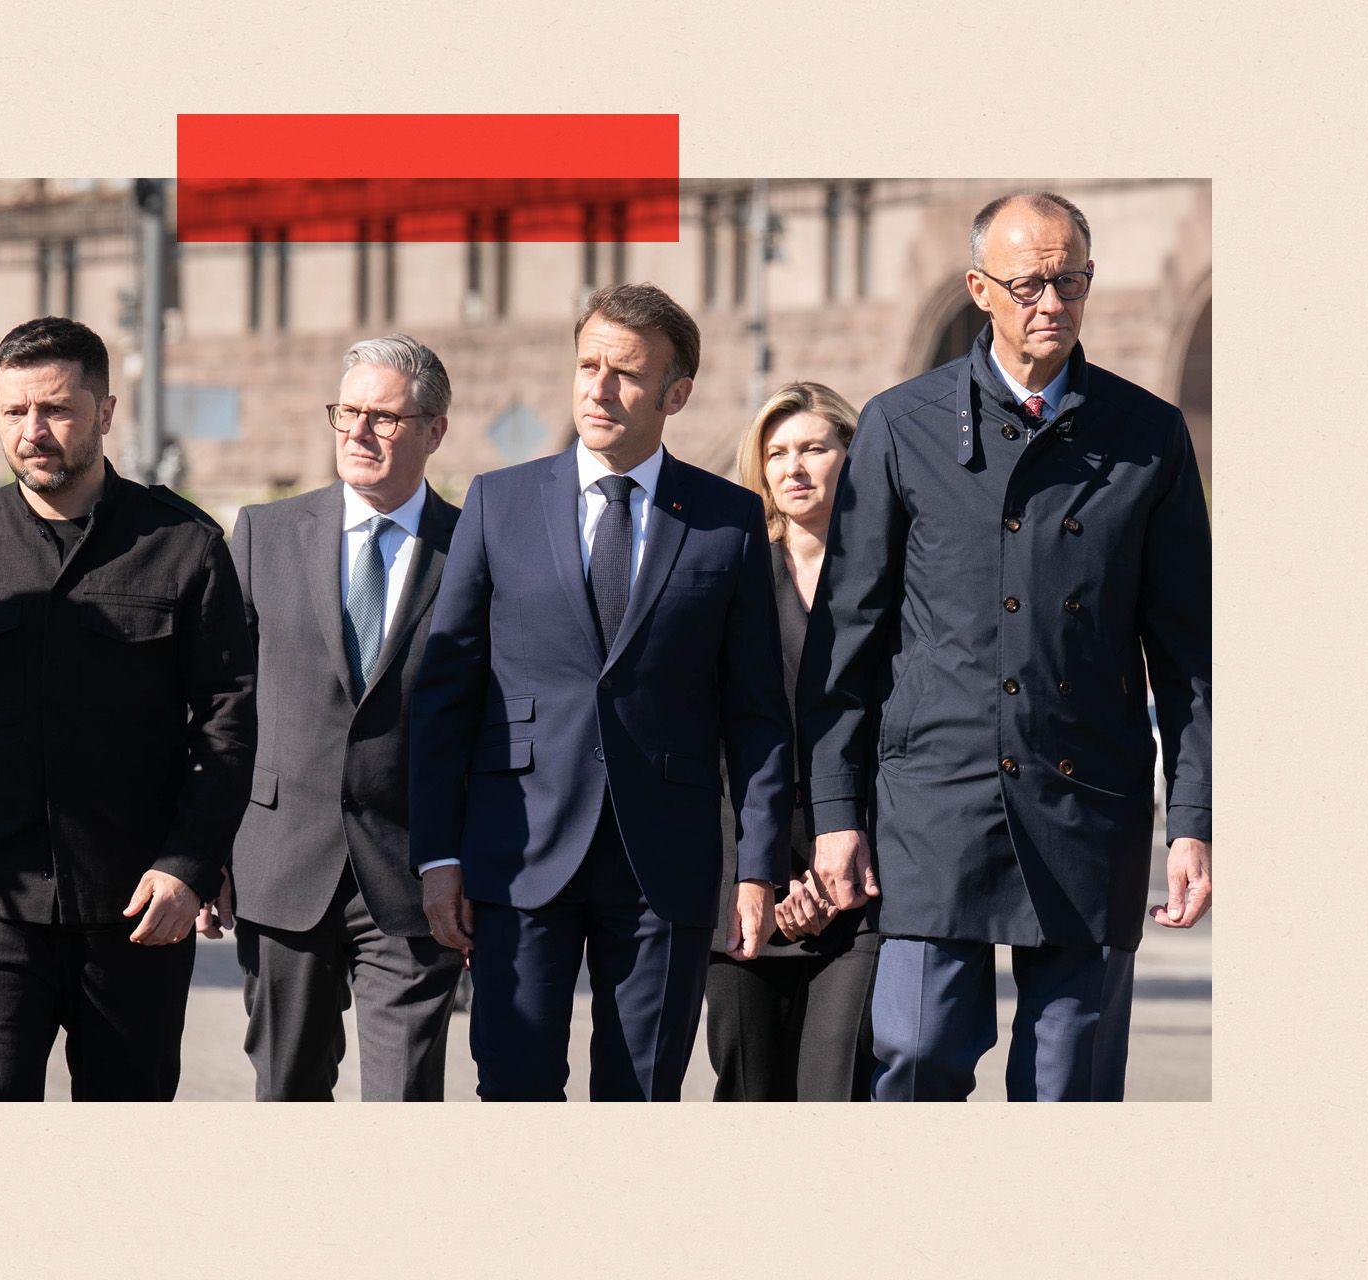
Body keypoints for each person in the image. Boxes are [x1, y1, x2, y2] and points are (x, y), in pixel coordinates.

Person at [797, 192, 1213, 1101]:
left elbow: (1190, 658)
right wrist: (835, 811)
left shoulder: (1150, 438)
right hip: (934, 799)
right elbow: (847, 639)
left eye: (1071, 281)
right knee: (911, 1052)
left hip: (1087, 802)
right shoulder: (901, 426)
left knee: (1069, 1084)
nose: (1051, 303)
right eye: (1029, 284)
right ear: (980, 289)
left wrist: (1193, 820)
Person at [409, 283, 793, 1101]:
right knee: (515, 1091)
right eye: (588, 366)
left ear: (675, 394)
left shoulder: (728, 521)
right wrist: (438, 854)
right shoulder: (497, 502)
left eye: (624, 373)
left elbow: (755, 715)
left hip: (668, 861)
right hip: (519, 852)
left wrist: (755, 871)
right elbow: (446, 694)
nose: (598, 388)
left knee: (643, 1097)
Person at [0, 316, 255, 1101]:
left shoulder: (182, 546)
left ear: (106, 412)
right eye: (14, 412)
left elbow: (228, 719)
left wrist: (190, 864)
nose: (33, 432)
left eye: (56, 409)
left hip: (138, 907)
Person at [213, 334, 465, 1101]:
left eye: (382, 419)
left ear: (433, 430)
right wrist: (206, 848)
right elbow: (224, 703)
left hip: (416, 876)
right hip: (281, 865)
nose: (357, 433)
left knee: (404, 1100)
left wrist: (471, 858)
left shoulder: (475, 548)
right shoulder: (263, 533)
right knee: (288, 1096)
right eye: (346, 412)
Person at [704, 382, 879, 1101]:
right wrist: (766, 875)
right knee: (749, 1091)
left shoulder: (892, 577)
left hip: (862, 884)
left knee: (834, 1091)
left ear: (850, 455)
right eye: (776, 453)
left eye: (813, 447)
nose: (794, 467)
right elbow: (716, 742)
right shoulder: (728, 573)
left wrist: (835, 871)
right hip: (744, 880)